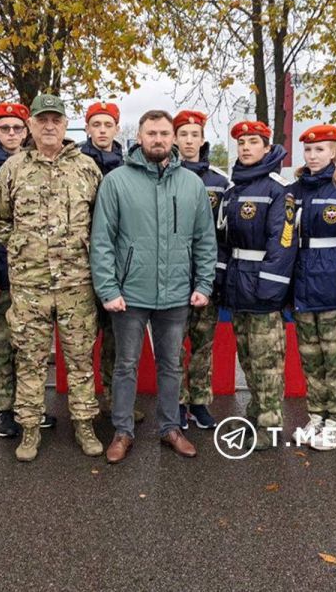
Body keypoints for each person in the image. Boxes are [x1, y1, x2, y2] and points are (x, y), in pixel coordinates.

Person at [91, 110, 217, 463]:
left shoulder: (192, 184)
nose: (158, 139)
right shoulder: (116, 182)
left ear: (173, 138)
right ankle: (122, 431)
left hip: (176, 292)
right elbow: (102, 240)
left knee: (171, 365)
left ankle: (170, 428)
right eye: (151, 133)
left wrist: (203, 283)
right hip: (130, 293)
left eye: (164, 133)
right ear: (139, 137)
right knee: (125, 365)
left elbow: (205, 240)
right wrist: (108, 289)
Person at [0, 94, 104, 462]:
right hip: (30, 285)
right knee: (30, 360)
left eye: (56, 119)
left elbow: (105, 222)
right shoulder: (13, 169)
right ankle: (30, 429)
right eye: (42, 120)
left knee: (81, 360)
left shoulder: (87, 168)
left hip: (76, 284)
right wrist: (21, 245)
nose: (49, 126)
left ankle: (84, 424)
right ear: (31, 126)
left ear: (66, 125)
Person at [0, 102, 58, 439]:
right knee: (2, 344)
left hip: (36, 277)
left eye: (17, 128)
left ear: (28, 130)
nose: (11, 134)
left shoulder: (40, 166)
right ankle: (5, 409)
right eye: (4, 128)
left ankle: (31, 407)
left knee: (32, 348)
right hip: (4, 276)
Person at [216, 120, 297, 451]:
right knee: (248, 359)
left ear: (267, 147)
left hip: (263, 291)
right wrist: (223, 280)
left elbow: (283, 242)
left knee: (268, 362)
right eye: (241, 142)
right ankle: (256, 411)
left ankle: (271, 423)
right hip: (238, 287)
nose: (246, 147)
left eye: (253, 142)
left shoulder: (278, 190)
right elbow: (223, 240)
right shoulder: (234, 191)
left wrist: (270, 290)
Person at [288, 125, 336, 452]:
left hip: (334, 290)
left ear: (333, 152)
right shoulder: (293, 191)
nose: (313, 156)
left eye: (320, 150)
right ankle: (317, 416)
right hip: (303, 288)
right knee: (311, 359)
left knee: (335, 361)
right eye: (308, 150)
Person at [79, 101, 144, 424]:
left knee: (118, 340)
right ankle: (83, 406)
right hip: (79, 262)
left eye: (108, 125)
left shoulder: (131, 164)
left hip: (120, 264)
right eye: (96, 124)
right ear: (87, 128)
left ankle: (115, 402)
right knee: (81, 338)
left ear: (117, 129)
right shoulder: (74, 163)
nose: (102, 131)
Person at [173, 109, 227, 430]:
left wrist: (214, 276)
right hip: (175, 278)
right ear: (175, 139)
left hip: (206, 278)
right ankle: (178, 403)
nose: (189, 140)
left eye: (195, 135)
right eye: (184, 134)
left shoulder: (220, 182)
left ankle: (200, 402)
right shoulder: (165, 175)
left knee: (203, 345)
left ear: (203, 139)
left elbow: (224, 234)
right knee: (174, 347)